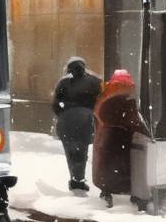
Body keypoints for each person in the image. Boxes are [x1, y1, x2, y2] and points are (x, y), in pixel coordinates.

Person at [93, 69, 152, 208]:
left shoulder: (104, 96)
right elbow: (132, 121)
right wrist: (145, 132)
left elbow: (98, 115)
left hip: (105, 137)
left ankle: (106, 192)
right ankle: (134, 199)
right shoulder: (126, 99)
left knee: (105, 168)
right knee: (126, 166)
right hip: (122, 139)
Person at [52, 57, 101, 192]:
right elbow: (101, 99)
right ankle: (79, 179)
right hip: (86, 119)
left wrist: (62, 114)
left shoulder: (63, 83)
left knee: (70, 151)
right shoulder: (94, 82)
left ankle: (75, 178)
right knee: (82, 149)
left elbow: (56, 104)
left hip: (67, 120)